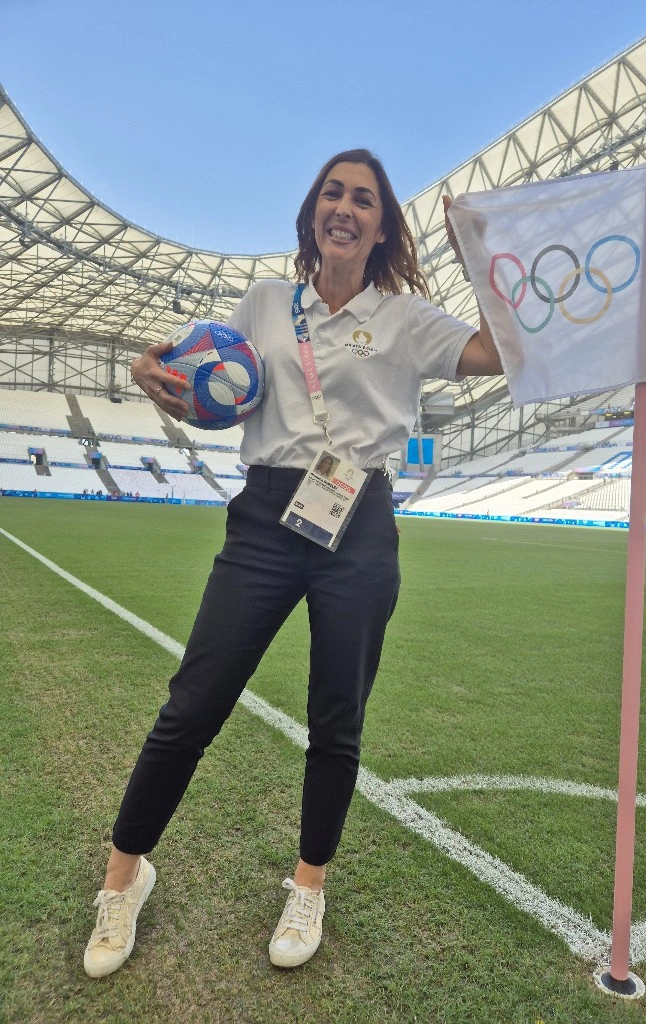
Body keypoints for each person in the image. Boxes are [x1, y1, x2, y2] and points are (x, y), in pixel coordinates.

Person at [83, 149, 502, 980]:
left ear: (383, 226)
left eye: (364, 200)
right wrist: (161, 382)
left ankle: (309, 884)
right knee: (192, 704)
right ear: (314, 211)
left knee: (336, 718)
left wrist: (478, 251)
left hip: (361, 523)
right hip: (268, 517)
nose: (345, 208)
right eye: (332, 194)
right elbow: (224, 395)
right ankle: (124, 879)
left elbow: (495, 353)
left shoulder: (408, 317)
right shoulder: (267, 304)